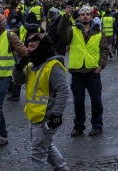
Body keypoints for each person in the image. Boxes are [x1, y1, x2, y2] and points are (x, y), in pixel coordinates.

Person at [59, 5, 109, 137]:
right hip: (77, 72)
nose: (85, 16)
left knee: (96, 101)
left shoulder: (99, 32)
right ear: (79, 17)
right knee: (78, 102)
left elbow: (104, 50)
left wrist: (101, 65)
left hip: (93, 71)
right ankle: (78, 126)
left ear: (91, 17)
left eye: (87, 14)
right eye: (82, 14)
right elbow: (62, 33)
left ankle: (97, 126)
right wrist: (65, 17)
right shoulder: (73, 30)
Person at [22, 33, 69, 170]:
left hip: (46, 116)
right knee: (46, 147)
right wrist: (18, 68)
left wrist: (57, 114)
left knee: (38, 153)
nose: (28, 49)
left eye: (32, 46)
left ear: (42, 48)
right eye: (27, 46)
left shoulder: (53, 66)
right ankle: (62, 168)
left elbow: (63, 91)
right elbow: (19, 81)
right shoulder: (32, 65)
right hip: (35, 115)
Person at [0, 12, 29, 151]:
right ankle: (3, 135)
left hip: (4, 78)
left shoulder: (10, 36)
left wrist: (18, 70)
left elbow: (24, 53)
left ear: (2, 24)